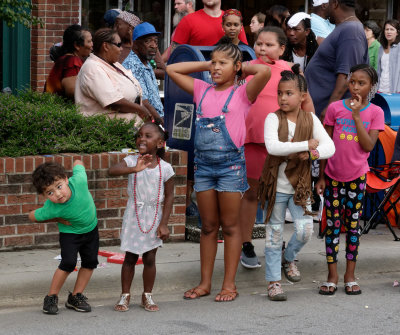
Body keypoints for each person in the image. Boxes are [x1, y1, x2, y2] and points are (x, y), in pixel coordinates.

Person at [166, 38, 270, 302]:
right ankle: (204, 283)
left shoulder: (244, 92)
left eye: (222, 63)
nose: (215, 68)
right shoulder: (201, 89)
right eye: (213, 63)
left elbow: (264, 71)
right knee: (208, 227)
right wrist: (209, 63)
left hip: (231, 167)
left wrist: (238, 68)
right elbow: (171, 70)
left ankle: (229, 285)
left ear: (236, 67)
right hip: (203, 167)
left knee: (231, 226)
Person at [239, 26, 315, 269]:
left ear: (282, 48)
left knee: (279, 196)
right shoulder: (246, 67)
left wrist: (310, 136)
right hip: (251, 140)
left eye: (269, 44)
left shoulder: (290, 71)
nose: (262, 48)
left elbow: (307, 106)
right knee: (251, 194)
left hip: (285, 144)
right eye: (259, 43)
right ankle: (246, 244)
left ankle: (278, 245)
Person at [259, 64, 334, 301]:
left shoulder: (310, 119)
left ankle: (288, 257)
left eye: (289, 93)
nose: (283, 98)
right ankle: (273, 282)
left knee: (305, 230)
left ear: (302, 97)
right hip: (275, 187)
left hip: (299, 187)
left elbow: (329, 147)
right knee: (273, 235)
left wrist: (312, 153)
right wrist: (306, 145)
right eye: (280, 93)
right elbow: (273, 147)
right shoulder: (273, 118)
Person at [316, 64, 385, 295]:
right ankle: (332, 275)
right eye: (352, 81)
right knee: (333, 227)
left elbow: (367, 146)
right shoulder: (335, 109)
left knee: (353, 227)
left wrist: (356, 116)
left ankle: (350, 275)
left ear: (371, 87)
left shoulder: (375, 113)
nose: (355, 87)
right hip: (333, 178)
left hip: (357, 178)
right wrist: (321, 176)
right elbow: (326, 146)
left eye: (361, 83)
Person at [110, 122, 174, 312]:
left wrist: (164, 224)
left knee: (150, 258)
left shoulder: (166, 168)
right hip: (134, 215)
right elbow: (111, 171)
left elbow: (170, 196)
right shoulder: (131, 161)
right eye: (139, 135)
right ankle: (125, 295)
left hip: (154, 216)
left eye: (148, 136)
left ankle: (147, 295)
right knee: (130, 257)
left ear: (160, 143)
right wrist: (134, 169)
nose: (141, 139)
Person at [28, 160, 99, 315]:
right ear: (44, 196)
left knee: (90, 262)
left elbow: (79, 162)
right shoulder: (52, 208)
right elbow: (32, 216)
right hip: (70, 234)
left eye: (59, 186)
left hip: (91, 229)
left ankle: (75, 297)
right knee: (68, 262)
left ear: (66, 179)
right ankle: (51, 297)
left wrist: (77, 162)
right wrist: (57, 219)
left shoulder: (79, 181)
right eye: (50, 192)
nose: (58, 194)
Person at [305, 0, 369, 120]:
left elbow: (347, 75)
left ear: (334, 3)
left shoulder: (351, 30)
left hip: (329, 115)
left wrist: (329, 110)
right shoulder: (345, 27)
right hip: (318, 109)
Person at [75, 28, 153, 123]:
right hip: (105, 130)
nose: (121, 49)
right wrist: (141, 110)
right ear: (106, 46)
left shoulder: (114, 64)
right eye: (119, 45)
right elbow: (114, 102)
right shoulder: (92, 67)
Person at [122, 22, 164, 123]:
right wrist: (160, 123)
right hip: (147, 122)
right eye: (147, 42)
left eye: (155, 42)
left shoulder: (145, 62)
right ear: (135, 44)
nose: (153, 46)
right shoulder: (133, 65)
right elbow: (143, 102)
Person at [44, 25, 92, 101]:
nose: (92, 45)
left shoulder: (65, 59)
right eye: (89, 41)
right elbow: (72, 91)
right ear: (77, 45)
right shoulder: (72, 62)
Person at [172, 0, 248, 48]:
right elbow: (176, 55)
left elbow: (245, 53)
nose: (232, 27)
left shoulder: (233, 20)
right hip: (197, 72)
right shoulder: (187, 20)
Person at [116, 11, 166, 80]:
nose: (115, 29)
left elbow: (163, 73)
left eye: (118, 25)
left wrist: (142, 71)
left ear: (130, 27)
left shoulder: (147, 46)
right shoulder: (115, 46)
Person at [377, 19, 400, 94]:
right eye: (387, 29)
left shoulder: (399, 47)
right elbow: (379, 70)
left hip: (395, 90)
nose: (389, 32)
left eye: (392, 29)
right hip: (381, 89)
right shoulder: (381, 48)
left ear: (397, 32)